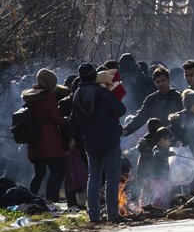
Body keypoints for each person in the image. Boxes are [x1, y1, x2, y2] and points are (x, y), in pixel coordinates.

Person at [70, 63, 127, 223]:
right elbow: (121, 110)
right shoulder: (101, 93)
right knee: (112, 177)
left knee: (93, 178)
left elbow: (74, 120)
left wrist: (72, 137)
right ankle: (112, 214)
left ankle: (93, 215)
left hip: (90, 142)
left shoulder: (77, 95)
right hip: (109, 140)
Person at [23, 68, 68, 204]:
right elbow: (57, 118)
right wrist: (66, 120)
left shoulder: (30, 96)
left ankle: (31, 199)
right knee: (58, 170)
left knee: (39, 173)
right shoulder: (47, 97)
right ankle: (50, 199)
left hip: (34, 141)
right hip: (49, 141)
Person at [122, 66, 183, 137]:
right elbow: (141, 117)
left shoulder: (178, 97)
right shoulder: (151, 99)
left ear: (168, 80)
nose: (161, 84)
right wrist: (127, 129)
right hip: (158, 137)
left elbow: (185, 117)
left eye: (163, 80)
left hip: (176, 136)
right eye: (158, 82)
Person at [136, 118, 162, 206]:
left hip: (143, 167)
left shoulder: (144, 139)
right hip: (152, 169)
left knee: (145, 187)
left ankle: (144, 204)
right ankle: (152, 205)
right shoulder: (157, 140)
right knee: (153, 188)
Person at [147, 127, 174, 209]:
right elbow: (158, 154)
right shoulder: (157, 149)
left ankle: (164, 209)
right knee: (158, 195)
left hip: (163, 177)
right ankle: (157, 209)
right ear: (162, 140)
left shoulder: (162, 149)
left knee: (164, 195)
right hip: (157, 178)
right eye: (169, 140)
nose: (170, 142)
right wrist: (169, 153)